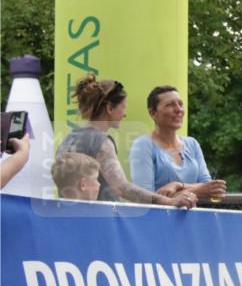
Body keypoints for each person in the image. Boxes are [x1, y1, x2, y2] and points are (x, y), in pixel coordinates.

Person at [56, 75, 196, 207]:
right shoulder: (101, 141)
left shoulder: (69, 138)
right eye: (123, 107)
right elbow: (122, 187)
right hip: (100, 222)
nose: (125, 114)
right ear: (110, 108)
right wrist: (170, 202)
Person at [129, 86, 227, 200]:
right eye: (170, 105)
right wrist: (194, 191)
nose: (178, 109)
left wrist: (178, 185)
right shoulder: (143, 145)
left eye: (180, 104)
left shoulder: (192, 144)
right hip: (158, 217)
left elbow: (210, 188)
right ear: (153, 113)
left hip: (193, 216)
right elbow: (144, 197)